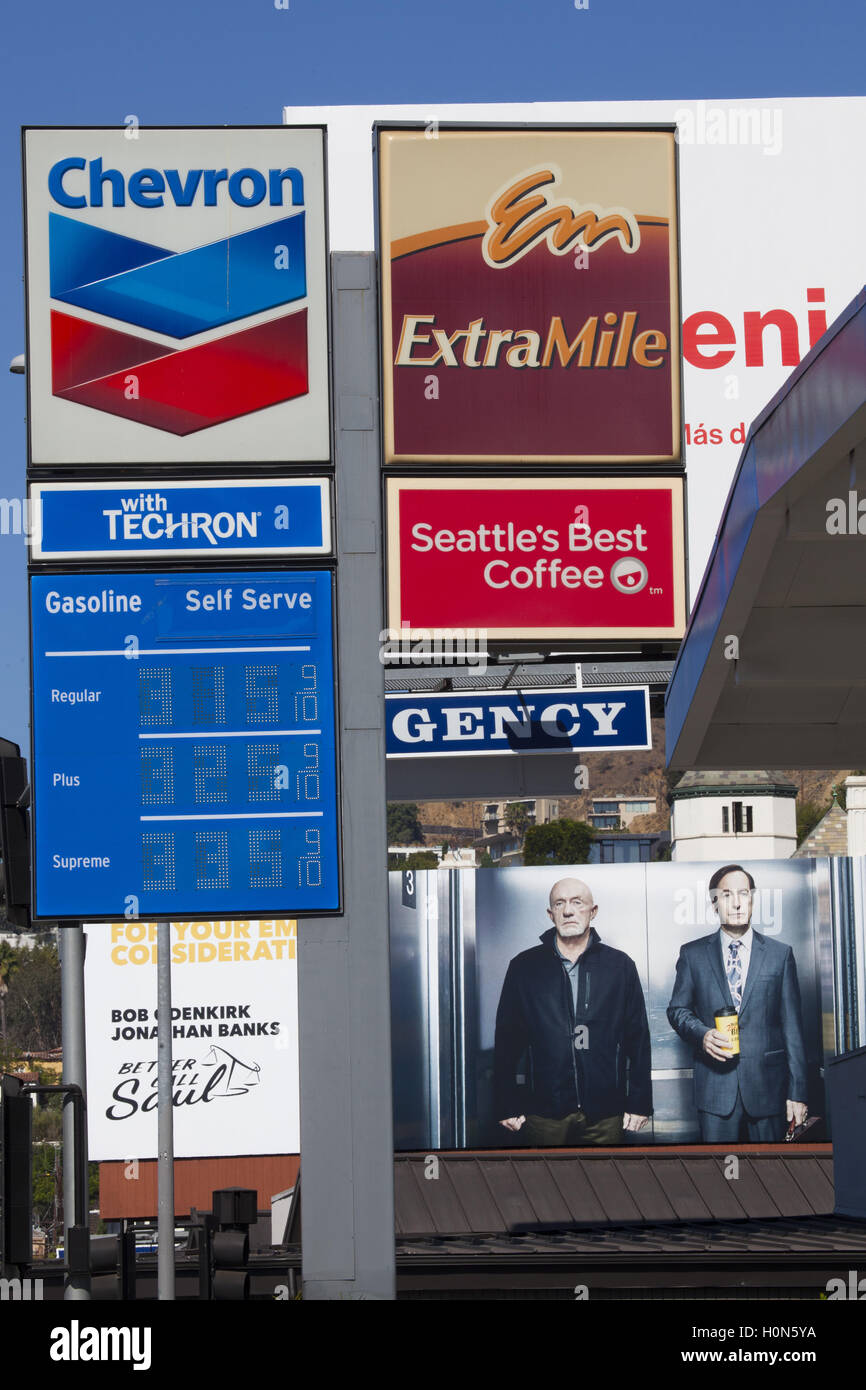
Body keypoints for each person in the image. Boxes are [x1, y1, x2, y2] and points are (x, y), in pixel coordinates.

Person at [494, 876, 652, 1146]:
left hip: (606, 1114)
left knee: (605, 1185)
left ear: (593, 911)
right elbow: (507, 1041)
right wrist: (506, 1103)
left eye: (577, 902)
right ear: (550, 913)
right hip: (543, 1113)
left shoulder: (620, 966)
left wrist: (639, 1102)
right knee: (546, 1185)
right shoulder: (524, 967)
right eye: (559, 903)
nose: (568, 910)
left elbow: (637, 1039)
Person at [666, 864, 808, 1142]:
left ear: (752, 899)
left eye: (743, 893)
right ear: (715, 903)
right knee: (719, 1179)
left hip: (768, 1089)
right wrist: (702, 1035)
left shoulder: (780, 955)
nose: (737, 902)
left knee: (772, 1177)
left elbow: (793, 1029)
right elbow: (677, 1010)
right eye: (727, 894)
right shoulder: (693, 955)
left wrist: (798, 1093)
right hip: (715, 1091)